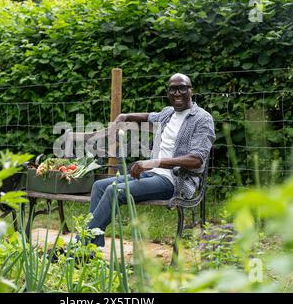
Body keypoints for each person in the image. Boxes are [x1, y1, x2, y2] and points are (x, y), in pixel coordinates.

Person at [86, 73, 215, 247]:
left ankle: (81, 245)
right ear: (168, 92)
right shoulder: (168, 114)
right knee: (99, 186)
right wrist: (123, 116)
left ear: (191, 90)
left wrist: (154, 163)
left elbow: (197, 159)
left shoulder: (202, 119)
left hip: (175, 181)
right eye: (172, 89)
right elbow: (146, 116)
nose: (177, 93)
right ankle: (91, 246)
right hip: (154, 174)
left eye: (182, 88)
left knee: (114, 190)